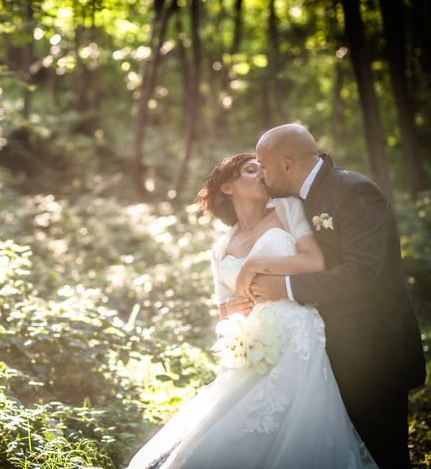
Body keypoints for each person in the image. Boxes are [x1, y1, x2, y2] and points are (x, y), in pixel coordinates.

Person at [126, 152, 377, 469]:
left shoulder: (287, 209)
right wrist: (231, 309)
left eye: (263, 169)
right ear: (228, 186)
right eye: (249, 170)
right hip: (255, 347)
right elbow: (224, 314)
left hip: (298, 332)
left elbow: (314, 262)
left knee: (295, 424)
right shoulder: (220, 249)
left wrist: (257, 265)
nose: (261, 174)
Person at [250, 123, 426, 468]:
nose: (261, 176)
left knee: (382, 454)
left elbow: (363, 274)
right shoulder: (292, 202)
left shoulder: (355, 192)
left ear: (287, 165)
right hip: (325, 353)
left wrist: (284, 287)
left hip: (372, 353)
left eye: (264, 166)